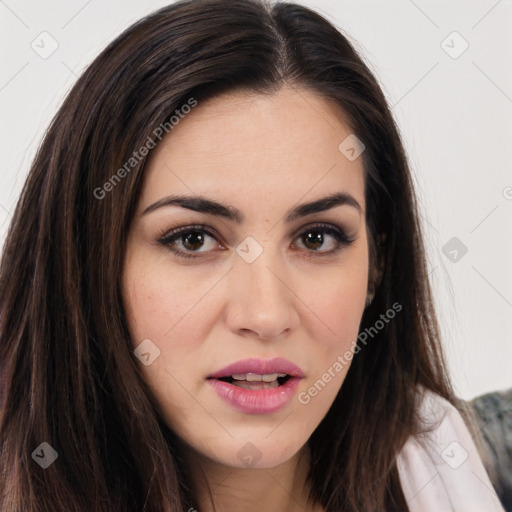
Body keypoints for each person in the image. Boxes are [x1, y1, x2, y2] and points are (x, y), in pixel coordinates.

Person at [0, 0, 505, 511]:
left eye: (316, 238)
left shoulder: (447, 462)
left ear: (377, 264)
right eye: (193, 239)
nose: (266, 314)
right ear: (85, 265)